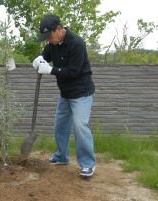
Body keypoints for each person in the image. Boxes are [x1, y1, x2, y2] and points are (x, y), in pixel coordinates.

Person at [32, 15, 96, 177]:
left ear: (59, 29)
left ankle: (88, 164)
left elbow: (73, 72)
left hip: (82, 93)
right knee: (60, 126)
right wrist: (39, 60)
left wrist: (51, 70)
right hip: (65, 94)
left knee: (81, 126)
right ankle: (62, 156)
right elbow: (45, 57)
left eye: (49, 36)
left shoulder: (77, 44)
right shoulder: (52, 44)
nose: (48, 40)